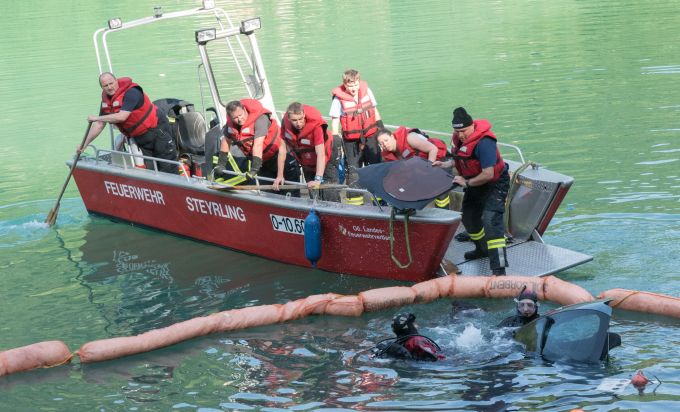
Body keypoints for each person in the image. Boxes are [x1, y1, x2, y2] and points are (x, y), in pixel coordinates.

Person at [433, 107, 510, 275]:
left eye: (463, 131)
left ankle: (499, 269)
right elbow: (459, 159)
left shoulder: (485, 142)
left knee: (491, 222)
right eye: (457, 131)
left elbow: (488, 174)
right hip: (474, 182)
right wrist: (445, 164)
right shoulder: (459, 140)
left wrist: (466, 182)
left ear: (472, 126)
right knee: (468, 218)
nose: (460, 135)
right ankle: (482, 249)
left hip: (495, 184)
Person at [80, 72, 178, 174]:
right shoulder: (107, 102)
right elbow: (99, 124)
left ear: (116, 81)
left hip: (158, 131)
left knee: (168, 168)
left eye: (111, 83)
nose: (109, 87)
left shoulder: (132, 92)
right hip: (140, 138)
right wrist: (84, 144)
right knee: (151, 171)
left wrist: (97, 118)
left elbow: (122, 116)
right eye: (105, 86)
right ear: (102, 87)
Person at [214, 99, 300, 190]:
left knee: (289, 189)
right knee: (267, 191)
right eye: (235, 118)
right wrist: (221, 164)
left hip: (281, 156)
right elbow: (226, 141)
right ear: (230, 117)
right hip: (263, 161)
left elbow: (258, 144)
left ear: (244, 109)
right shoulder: (230, 125)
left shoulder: (260, 119)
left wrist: (254, 169)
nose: (239, 119)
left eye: (240, 115)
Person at [330, 69, 384, 205]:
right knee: (353, 171)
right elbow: (335, 120)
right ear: (344, 84)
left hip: (370, 136)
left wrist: (381, 129)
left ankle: (380, 199)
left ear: (359, 82)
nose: (353, 88)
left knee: (376, 166)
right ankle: (355, 202)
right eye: (350, 86)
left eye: (355, 85)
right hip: (351, 142)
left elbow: (374, 110)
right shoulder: (338, 99)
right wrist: (335, 139)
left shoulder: (367, 91)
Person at [377, 127, 451, 208]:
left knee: (440, 193)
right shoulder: (387, 156)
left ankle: (444, 212)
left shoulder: (410, 138)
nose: (385, 144)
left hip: (439, 161)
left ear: (392, 136)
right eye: (381, 144)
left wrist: (428, 171)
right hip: (421, 168)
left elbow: (433, 149)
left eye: (386, 140)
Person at [281, 102, 342, 202]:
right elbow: (282, 151)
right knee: (312, 188)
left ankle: (335, 207)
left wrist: (318, 179)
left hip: (328, 152)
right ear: (288, 119)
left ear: (304, 115)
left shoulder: (316, 127)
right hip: (306, 158)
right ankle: (316, 207)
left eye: (300, 119)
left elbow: (321, 154)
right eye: (294, 120)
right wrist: (280, 176)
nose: (298, 123)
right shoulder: (285, 124)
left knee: (329, 187)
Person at [372, 313, 444, 361]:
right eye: (414, 323)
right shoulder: (416, 340)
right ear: (410, 326)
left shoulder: (398, 343)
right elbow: (436, 358)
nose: (417, 325)